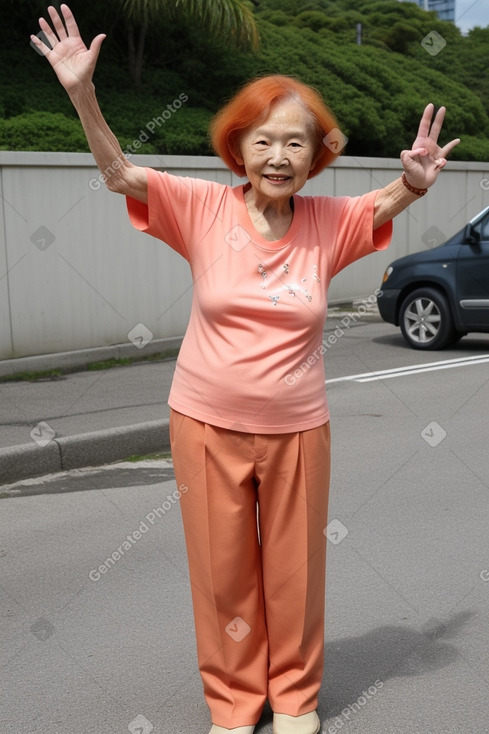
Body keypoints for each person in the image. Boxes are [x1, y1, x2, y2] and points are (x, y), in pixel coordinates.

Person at [31, 6, 460, 734]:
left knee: (292, 572)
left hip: (296, 430)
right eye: (263, 140)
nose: (278, 155)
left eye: (294, 142)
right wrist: (82, 93)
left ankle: (292, 696)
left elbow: (385, 198)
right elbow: (118, 173)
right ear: (239, 148)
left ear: (313, 154)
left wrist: (415, 183)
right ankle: (234, 702)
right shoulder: (200, 208)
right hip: (203, 423)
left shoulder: (327, 223)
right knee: (223, 572)